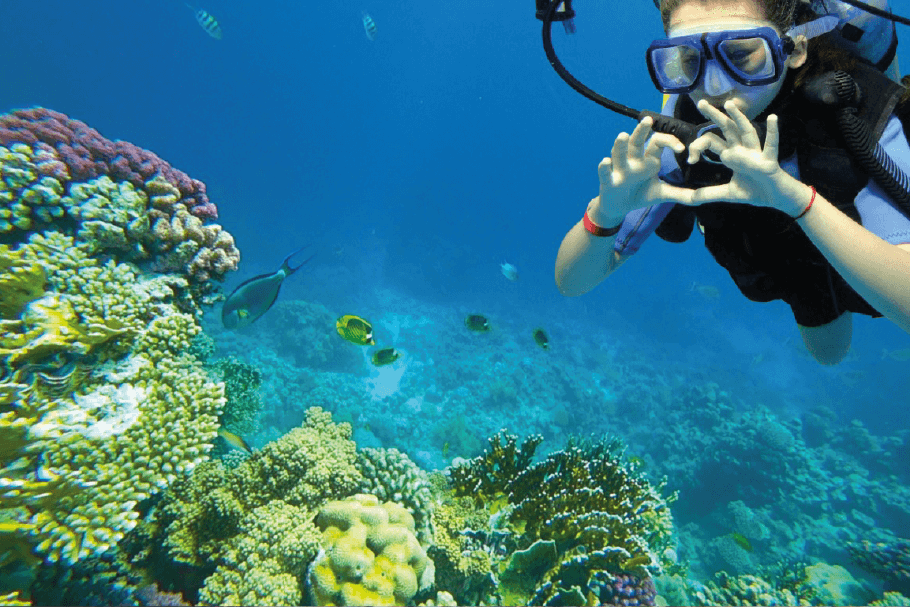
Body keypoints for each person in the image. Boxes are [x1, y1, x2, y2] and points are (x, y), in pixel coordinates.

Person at [555, 0, 910, 365]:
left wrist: (794, 200)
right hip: (786, 267)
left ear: (795, 49)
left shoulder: (861, 115)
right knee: (828, 351)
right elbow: (572, 283)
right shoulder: (677, 134)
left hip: (857, 252)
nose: (714, 87)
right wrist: (607, 211)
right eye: (691, 60)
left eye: (740, 56)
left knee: (829, 352)